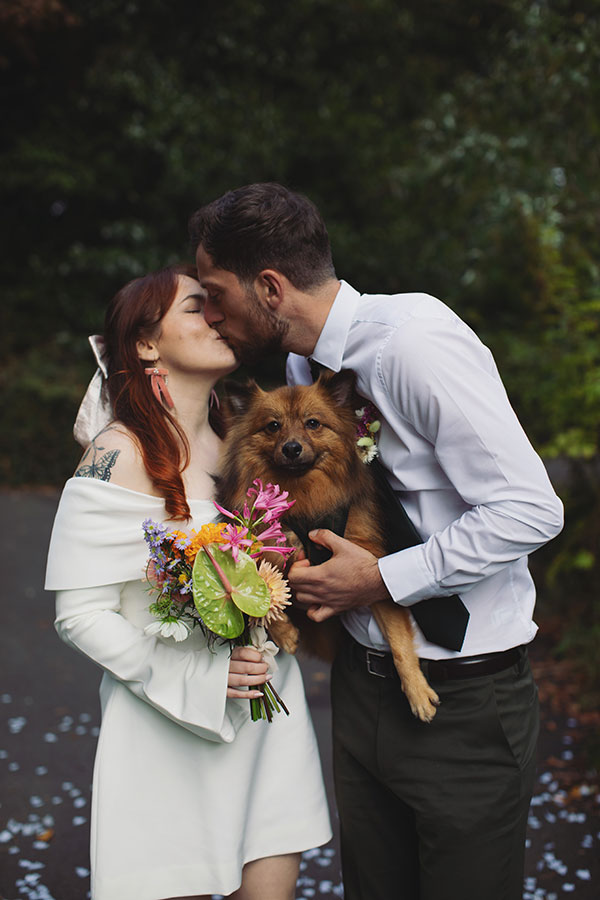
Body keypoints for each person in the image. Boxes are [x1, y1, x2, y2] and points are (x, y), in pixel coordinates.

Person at [189, 184, 565, 900]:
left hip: (463, 701)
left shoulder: (416, 343)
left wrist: (384, 578)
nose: (210, 313)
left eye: (214, 293)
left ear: (269, 287)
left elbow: (530, 509)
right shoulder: (304, 378)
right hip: (361, 693)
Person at [44, 263, 331, 900]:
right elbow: (79, 612)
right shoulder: (117, 451)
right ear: (147, 343)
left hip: (267, 721)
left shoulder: (243, 440)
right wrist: (194, 677)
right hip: (168, 729)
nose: (217, 317)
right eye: (196, 308)